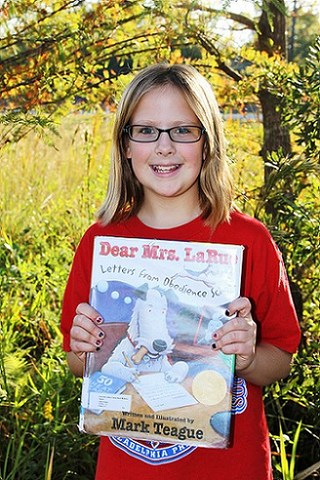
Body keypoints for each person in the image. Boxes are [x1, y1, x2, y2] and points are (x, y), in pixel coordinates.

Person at [61, 63, 301, 480]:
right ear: (126, 145)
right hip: (127, 468)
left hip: (229, 469)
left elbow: (280, 360)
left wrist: (245, 357)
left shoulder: (249, 240)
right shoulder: (100, 242)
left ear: (206, 142)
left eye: (183, 130)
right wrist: (85, 349)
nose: (165, 146)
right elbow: (77, 362)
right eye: (147, 130)